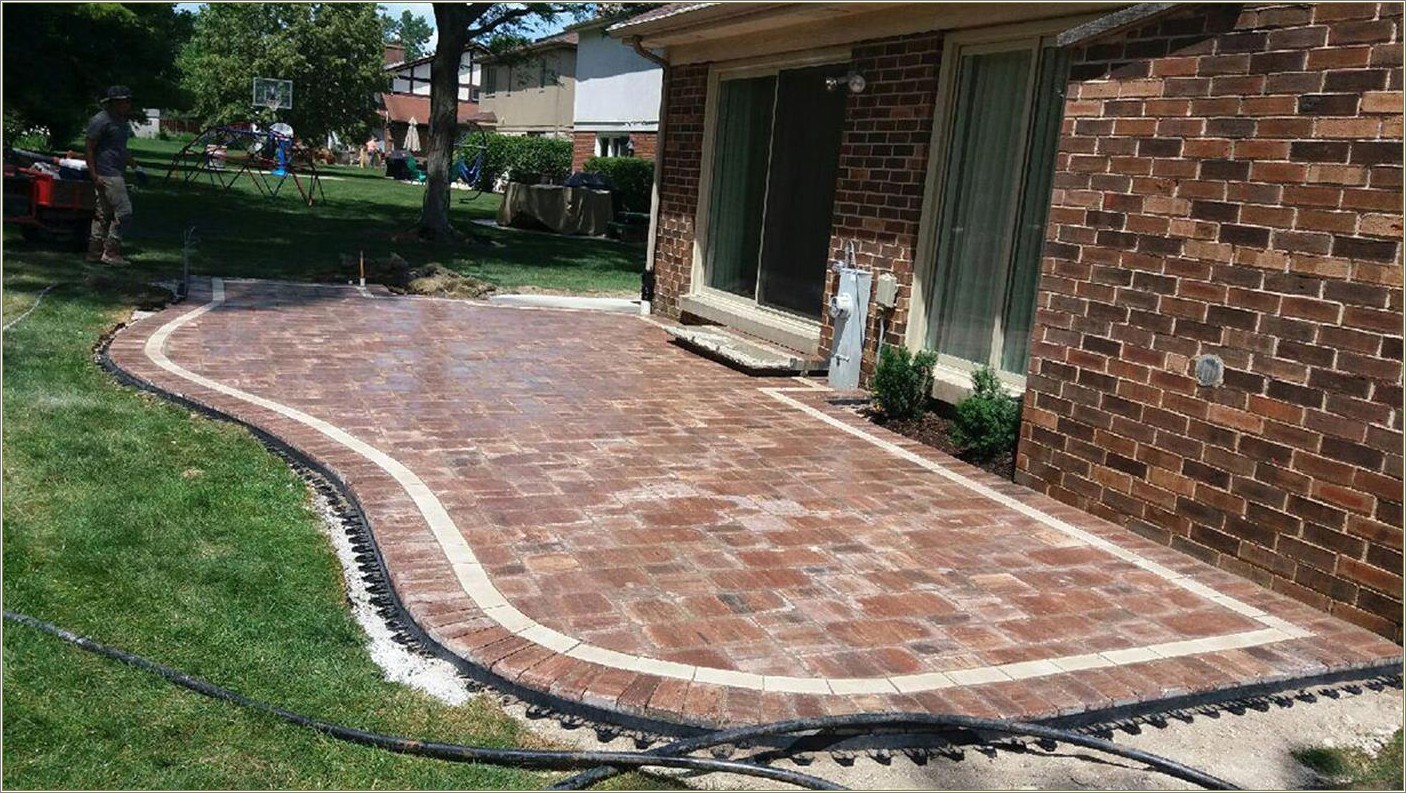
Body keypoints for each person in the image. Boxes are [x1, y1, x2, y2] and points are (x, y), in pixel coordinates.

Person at [84, 85, 146, 265]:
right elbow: (89, 148)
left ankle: (94, 253)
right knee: (125, 212)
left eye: (129, 101)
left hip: (116, 171)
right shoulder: (101, 120)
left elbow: (121, 150)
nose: (128, 104)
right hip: (107, 173)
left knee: (103, 214)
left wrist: (136, 167)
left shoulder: (122, 123)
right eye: (125, 101)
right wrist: (94, 175)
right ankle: (111, 251)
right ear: (114, 103)